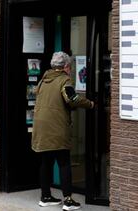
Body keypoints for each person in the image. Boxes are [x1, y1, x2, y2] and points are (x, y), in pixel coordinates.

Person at [32, 51, 94, 210]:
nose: (71, 70)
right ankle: (68, 200)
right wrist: (90, 104)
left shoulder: (43, 79)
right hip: (56, 128)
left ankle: (45, 197)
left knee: (45, 162)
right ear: (66, 67)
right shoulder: (64, 80)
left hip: (41, 127)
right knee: (64, 162)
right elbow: (72, 99)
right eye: (70, 67)